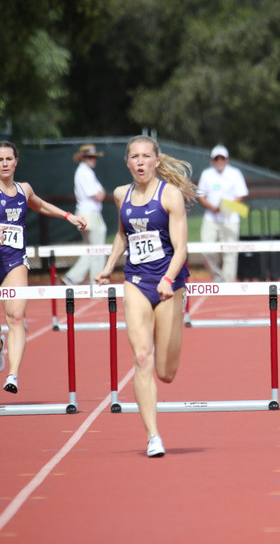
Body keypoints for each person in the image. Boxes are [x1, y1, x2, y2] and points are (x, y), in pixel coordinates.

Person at [0, 141, 87, 393]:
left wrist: (69, 217)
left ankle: (13, 375)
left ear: (16, 161)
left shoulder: (23, 189)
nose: (5, 164)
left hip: (15, 263)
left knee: (16, 317)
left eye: (9, 159)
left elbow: (40, 205)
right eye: (0, 160)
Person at [95, 136, 198, 457]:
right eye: (134, 157)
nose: (140, 162)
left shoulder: (170, 196)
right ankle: (153, 436)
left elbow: (181, 247)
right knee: (141, 357)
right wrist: (108, 266)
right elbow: (123, 235)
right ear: (127, 162)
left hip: (169, 284)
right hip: (136, 281)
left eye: (146, 157)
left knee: (165, 372)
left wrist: (168, 278)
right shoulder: (120, 195)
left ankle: (161, 382)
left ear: (156, 160)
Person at [196, 145, 249, 283]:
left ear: (227, 160)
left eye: (222, 158)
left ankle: (228, 280)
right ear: (212, 160)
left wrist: (226, 206)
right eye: (216, 158)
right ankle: (217, 276)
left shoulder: (235, 173)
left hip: (229, 217)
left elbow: (241, 194)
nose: (219, 161)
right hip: (211, 217)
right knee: (206, 249)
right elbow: (201, 195)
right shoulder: (206, 174)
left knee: (230, 250)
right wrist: (211, 206)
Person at [63, 143, 107, 286]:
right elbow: (97, 195)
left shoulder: (85, 171)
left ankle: (72, 277)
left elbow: (100, 193)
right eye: (90, 157)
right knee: (97, 249)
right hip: (90, 213)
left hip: (86, 212)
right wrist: (100, 194)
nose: (93, 159)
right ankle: (97, 284)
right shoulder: (84, 172)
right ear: (83, 158)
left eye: (94, 157)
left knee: (91, 248)